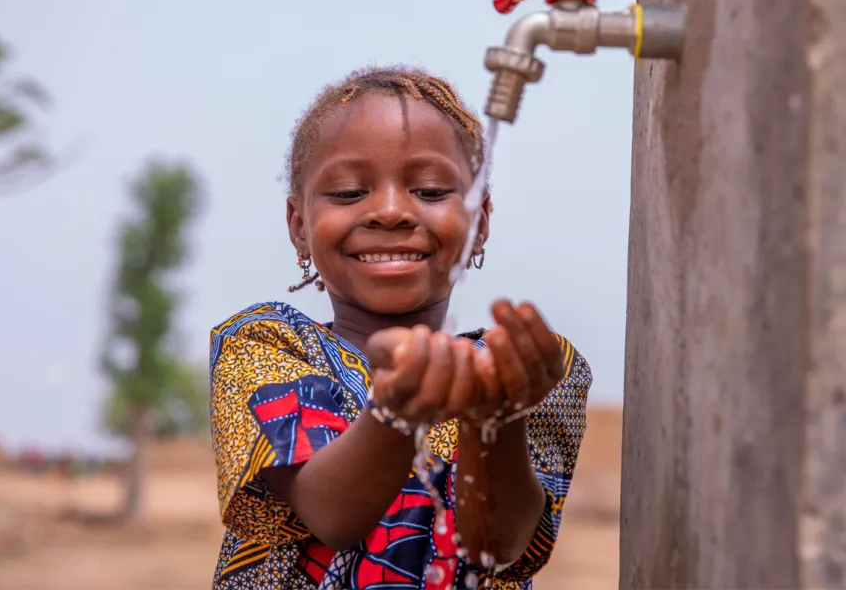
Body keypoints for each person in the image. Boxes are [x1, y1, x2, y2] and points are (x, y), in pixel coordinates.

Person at [209, 66, 592, 590]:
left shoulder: (526, 370)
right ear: (299, 227)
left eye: (430, 191)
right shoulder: (264, 346)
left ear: (479, 223)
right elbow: (332, 513)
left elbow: (497, 546)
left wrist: (497, 419)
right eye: (349, 192)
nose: (389, 212)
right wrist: (397, 411)